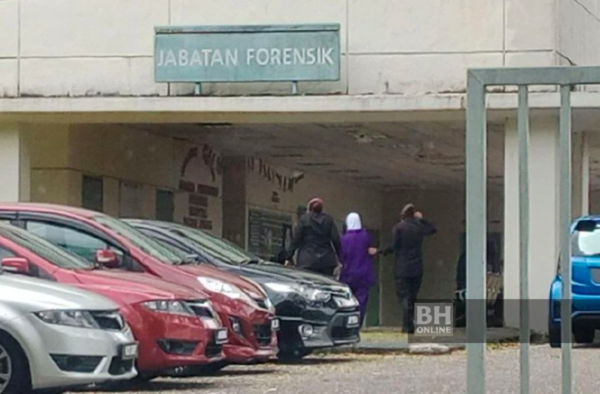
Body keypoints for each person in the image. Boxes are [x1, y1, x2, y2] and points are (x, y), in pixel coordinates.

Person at [380, 204, 437, 333]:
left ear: (403, 215)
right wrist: (421, 219)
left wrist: (380, 251)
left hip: (402, 268)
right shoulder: (419, 227)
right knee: (412, 297)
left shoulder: (399, 228)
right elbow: (433, 229)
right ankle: (410, 325)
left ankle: (407, 325)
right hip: (417, 268)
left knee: (404, 298)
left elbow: (393, 246)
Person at [285, 198, 342, 276]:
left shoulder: (304, 219)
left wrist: (288, 256)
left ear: (309, 208)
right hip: (326, 261)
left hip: (306, 260)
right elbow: (336, 239)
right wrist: (340, 257)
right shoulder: (329, 220)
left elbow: (296, 239)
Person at [339, 212, 377, 327]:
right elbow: (371, 251)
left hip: (348, 273)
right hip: (363, 273)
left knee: (348, 300)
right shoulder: (365, 236)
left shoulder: (344, 239)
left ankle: (349, 323)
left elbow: (341, 257)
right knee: (362, 300)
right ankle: (358, 323)